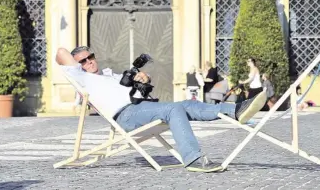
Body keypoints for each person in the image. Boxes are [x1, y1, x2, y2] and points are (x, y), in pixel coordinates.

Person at [56, 46, 267, 173]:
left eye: (90, 56)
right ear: (76, 65)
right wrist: (75, 65)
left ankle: (236, 110)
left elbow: (138, 95)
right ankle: (193, 158)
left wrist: (143, 81)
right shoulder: (81, 78)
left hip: (140, 106)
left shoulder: (111, 76)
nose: (89, 61)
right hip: (125, 116)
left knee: (184, 104)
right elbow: (60, 52)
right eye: (82, 60)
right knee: (174, 109)